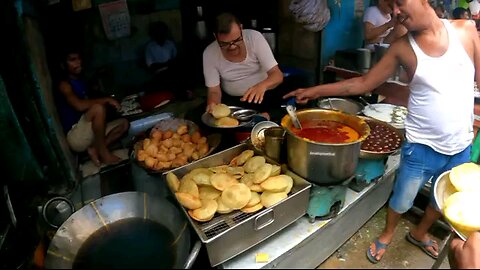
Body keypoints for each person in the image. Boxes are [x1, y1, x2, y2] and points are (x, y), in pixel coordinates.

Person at [284, 0, 479, 263]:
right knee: (402, 200)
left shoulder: (467, 31)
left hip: (461, 145)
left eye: (399, 3)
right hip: (421, 147)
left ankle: (419, 233)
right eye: (392, 5)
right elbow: (364, 83)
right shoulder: (403, 48)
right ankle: (387, 234)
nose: (395, 11)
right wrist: (314, 90)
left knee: (442, 200)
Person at [203, 12, 284, 120]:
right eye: (225, 43)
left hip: (264, 95)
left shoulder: (254, 38)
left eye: (236, 40)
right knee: (198, 116)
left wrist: (262, 86)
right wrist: (213, 105)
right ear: (215, 36)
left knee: (294, 100)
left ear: (241, 29)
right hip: (234, 102)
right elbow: (214, 91)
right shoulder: (209, 53)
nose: (232, 47)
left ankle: (265, 117)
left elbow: (277, 75)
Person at [56, 49, 129, 166]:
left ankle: (95, 149)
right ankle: (103, 153)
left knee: (124, 123)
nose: (78, 62)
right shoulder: (64, 85)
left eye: (79, 59)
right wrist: (107, 100)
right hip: (76, 136)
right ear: (63, 65)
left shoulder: (80, 80)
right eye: (72, 60)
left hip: (88, 131)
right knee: (98, 109)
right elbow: (79, 106)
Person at [145, 21, 192, 100]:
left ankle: (185, 94)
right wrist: (167, 64)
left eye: (163, 32)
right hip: (159, 74)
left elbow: (176, 59)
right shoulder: (150, 47)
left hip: (172, 70)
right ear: (154, 34)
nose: (162, 34)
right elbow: (151, 66)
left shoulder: (170, 44)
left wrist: (171, 64)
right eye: (159, 32)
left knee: (179, 75)